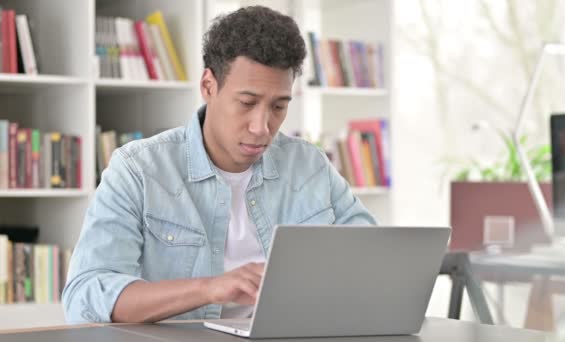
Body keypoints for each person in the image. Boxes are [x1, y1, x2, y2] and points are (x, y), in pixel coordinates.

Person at [62, 6, 376, 324]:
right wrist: (210, 289)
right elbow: (85, 297)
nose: (262, 127)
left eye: (278, 106)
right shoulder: (137, 170)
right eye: (247, 103)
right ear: (208, 86)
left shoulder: (309, 166)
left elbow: (375, 259)